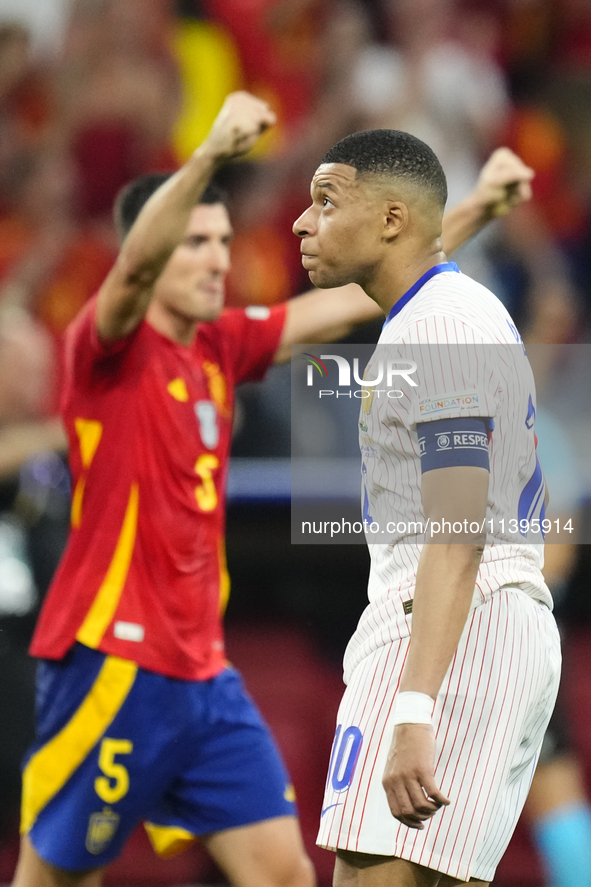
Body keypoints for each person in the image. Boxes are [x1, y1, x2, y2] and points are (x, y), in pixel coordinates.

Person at [13, 90, 534, 887]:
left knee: (290, 875)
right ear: (149, 254)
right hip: (110, 659)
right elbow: (134, 272)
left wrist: (470, 211)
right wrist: (210, 156)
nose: (218, 258)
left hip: (203, 672)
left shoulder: (221, 347)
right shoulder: (106, 345)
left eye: (223, 241)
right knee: (56, 878)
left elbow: (375, 278)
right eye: (194, 242)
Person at [293, 130, 561, 887]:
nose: (301, 223)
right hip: (482, 626)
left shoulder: (439, 326)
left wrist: (415, 706)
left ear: (389, 220)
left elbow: (457, 531)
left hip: (449, 631)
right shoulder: (443, 312)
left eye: (324, 201)